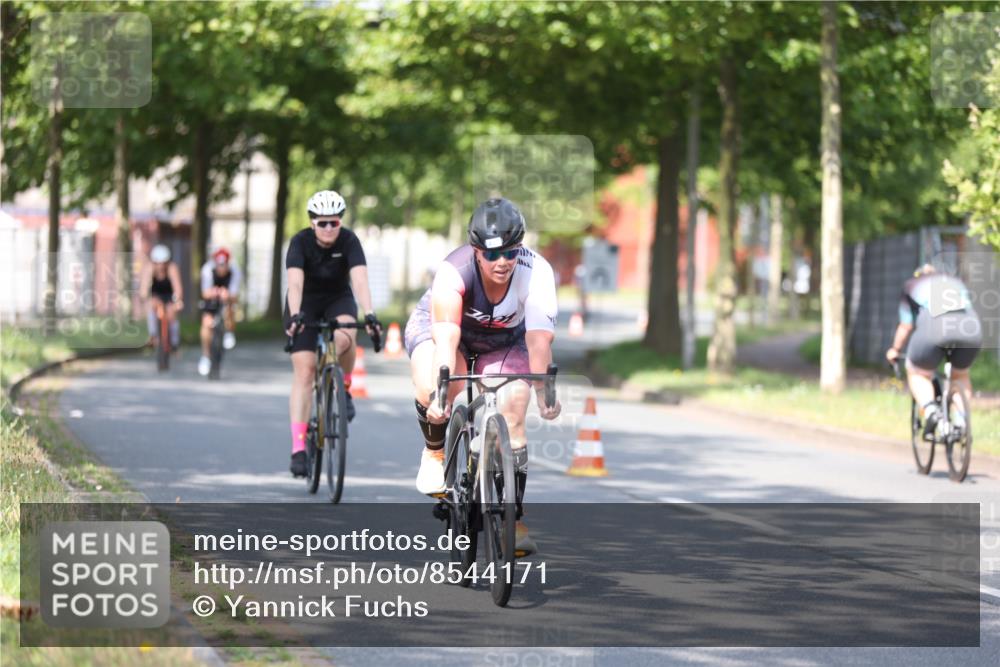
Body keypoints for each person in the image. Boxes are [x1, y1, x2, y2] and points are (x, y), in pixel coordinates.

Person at [404, 197, 561, 556]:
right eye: (491, 255)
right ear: (476, 251)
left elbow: (539, 341)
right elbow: (447, 339)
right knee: (438, 385)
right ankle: (434, 453)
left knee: (515, 406)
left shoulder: (537, 272)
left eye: (510, 252)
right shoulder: (453, 270)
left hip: (502, 341)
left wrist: (543, 393)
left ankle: (512, 519)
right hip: (447, 332)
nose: (502, 262)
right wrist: (442, 392)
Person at [284, 190, 382, 477]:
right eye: (322, 222)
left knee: (346, 334)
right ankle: (298, 448)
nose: (328, 228)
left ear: (340, 222)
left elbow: (360, 280)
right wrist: (296, 315)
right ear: (312, 222)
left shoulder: (349, 241)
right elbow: (295, 283)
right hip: (304, 303)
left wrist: (369, 313)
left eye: (334, 222)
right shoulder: (300, 242)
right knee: (305, 371)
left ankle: (344, 387)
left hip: (338, 298)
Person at [886, 264, 982, 437]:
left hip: (935, 325)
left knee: (917, 372)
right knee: (960, 375)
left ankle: (932, 413)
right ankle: (961, 421)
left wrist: (895, 349)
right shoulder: (955, 281)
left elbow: (906, 326)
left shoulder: (912, 285)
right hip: (970, 326)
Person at [197, 247, 242, 376]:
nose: (221, 268)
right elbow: (205, 293)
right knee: (206, 322)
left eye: (224, 265)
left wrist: (227, 295)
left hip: (227, 299)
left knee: (230, 308)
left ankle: (229, 331)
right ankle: (206, 355)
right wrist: (214, 292)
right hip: (211, 298)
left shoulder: (235, 271)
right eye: (219, 265)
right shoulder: (207, 270)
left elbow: (235, 295)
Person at [140, 244, 183, 351]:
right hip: (156, 296)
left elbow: (177, 288)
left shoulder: (172, 268)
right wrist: (145, 298)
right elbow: (143, 289)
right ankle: (153, 335)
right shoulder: (149, 268)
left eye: (164, 263)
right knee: (151, 306)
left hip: (169, 296)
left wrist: (177, 301)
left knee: (172, 313)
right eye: (158, 263)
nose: (161, 266)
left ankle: (174, 341)